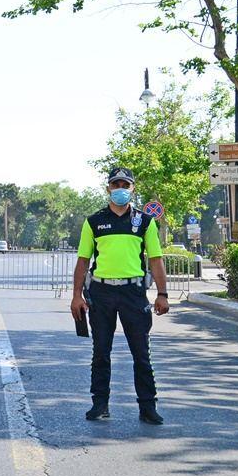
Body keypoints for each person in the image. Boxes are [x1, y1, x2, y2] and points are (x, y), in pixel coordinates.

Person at [71, 167, 169, 425]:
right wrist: (76, 296)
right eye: (116, 185)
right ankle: (100, 404)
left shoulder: (145, 222)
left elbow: (156, 260)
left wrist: (162, 293)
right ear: (108, 189)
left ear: (132, 188)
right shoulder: (94, 221)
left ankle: (147, 407)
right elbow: (83, 261)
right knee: (101, 351)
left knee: (141, 353)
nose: (120, 190)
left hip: (133, 293)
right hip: (101, 293)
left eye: (125, 185)